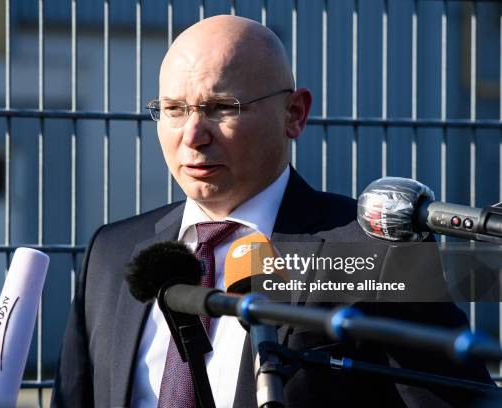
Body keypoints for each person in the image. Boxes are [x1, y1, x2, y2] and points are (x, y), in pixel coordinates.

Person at [52, 15, 493, 407]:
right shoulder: (112, 254)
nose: (192, 135)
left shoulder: (376, 253)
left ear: (295, 114)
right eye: (173, 110)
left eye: (221, 108)